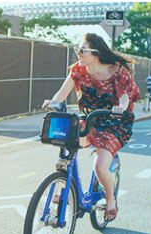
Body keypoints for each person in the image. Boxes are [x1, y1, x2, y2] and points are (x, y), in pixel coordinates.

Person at [42, 33, 140, 222]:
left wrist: (121, 106)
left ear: (95, 53)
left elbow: (125, 96)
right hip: (88, 120)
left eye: (82, 50)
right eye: (77, 50)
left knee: (100, 167)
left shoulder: (117, 71)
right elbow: (62, 92)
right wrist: (53, 103)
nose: (78, 53)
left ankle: (110, 200)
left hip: (114, 122)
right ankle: (64, 186)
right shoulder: (78, 70)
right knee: (67, 149)